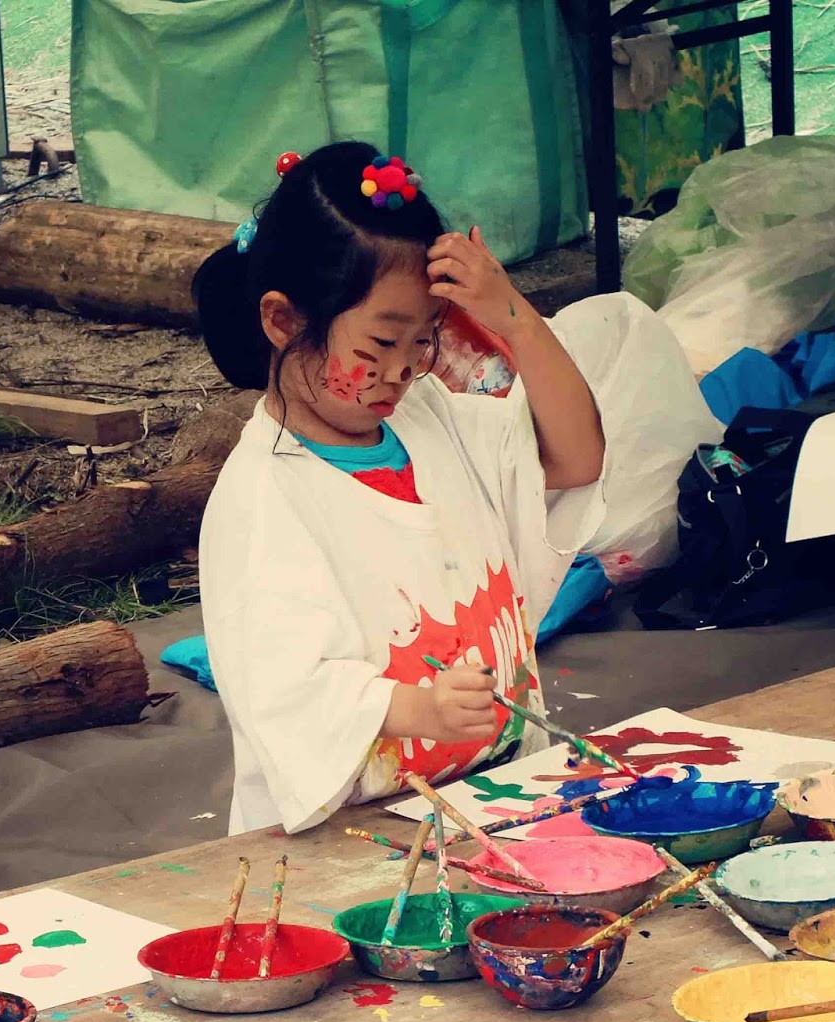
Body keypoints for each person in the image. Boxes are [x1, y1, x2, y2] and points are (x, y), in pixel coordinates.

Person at [195, 141, 699, 835]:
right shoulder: (263, 500)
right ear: (284, 321)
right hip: (349, 844)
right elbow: (284, 688)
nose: (403, 371)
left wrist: (513, 317)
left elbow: (576, 458)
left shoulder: (432, 420)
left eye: (424, 340)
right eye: (380, 344)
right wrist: (420, 710)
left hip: (500, 803)